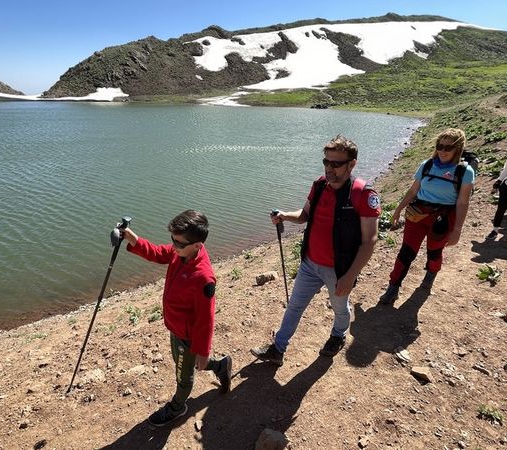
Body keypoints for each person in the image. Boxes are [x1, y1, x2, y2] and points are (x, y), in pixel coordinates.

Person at [250, 135, 380, 366]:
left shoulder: (363, 194)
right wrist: (284, 216)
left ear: (352, 164)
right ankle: (278, 348)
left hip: (338, 269)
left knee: (340, 308)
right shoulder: (320, 185)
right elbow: (305, 215)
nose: (330, 168)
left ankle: (338, 335)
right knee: (295, 306)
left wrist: (350, 276)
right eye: (326, 162)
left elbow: (369, 241)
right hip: (310, 263)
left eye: (336, 164)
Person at [121, 210, 231, 428]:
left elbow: (205, 319)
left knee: (184, 374)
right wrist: (133, 238)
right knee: (183, 363)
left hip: (188, 336)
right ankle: (220, 366)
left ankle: (178, 406)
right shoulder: (181, 251)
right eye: (173, 240)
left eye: (179, 243)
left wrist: (203, 350)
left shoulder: (203, 277)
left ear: (198, 245)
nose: (174, 246)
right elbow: (158, 253)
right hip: (176, 327)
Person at [379, 128, 474, 304]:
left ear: (458, 148)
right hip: (418, 215)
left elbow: (462, 202)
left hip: (443, 219)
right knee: (406, 252)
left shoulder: (464, 172)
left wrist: (457, 229)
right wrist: (398, 209)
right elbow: (413, 190)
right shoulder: (427, 165)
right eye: (440, 146)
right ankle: (393, 287)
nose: (443, 151)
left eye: (448, 147)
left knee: (434, 252)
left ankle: (431, 273)